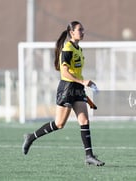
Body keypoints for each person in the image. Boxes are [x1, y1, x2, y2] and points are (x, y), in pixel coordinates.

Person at [22, 21, 105, 166]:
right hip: (67, 88)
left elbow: (75, 72)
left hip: (77, 88)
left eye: (83, 29)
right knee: (59, 124)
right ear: (71, 32)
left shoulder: (79, 49)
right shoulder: (67, 48)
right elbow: (65, 72)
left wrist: (85, 85)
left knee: (84, 121)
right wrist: (83, 81)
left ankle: (89, 156)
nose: (83, 32)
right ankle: (31, 137)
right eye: (80, 29)